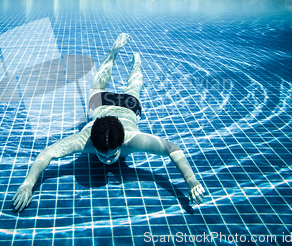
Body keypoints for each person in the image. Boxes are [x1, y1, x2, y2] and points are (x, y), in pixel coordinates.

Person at [13, 33, 205, 212]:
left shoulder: (133, 140)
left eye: (112, 155)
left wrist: (191, 181)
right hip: (109, 107)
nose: (107, 161)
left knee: (129, 87)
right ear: (92, 143)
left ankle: (131, 60)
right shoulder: (84, 139)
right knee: (113, 87)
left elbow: (173, 148)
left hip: (124, 108)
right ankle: (115, 53)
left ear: (122, 143)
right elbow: (47, 154)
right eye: (102, 156)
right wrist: (28, 184)